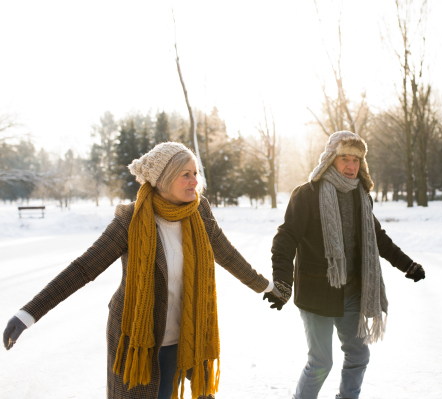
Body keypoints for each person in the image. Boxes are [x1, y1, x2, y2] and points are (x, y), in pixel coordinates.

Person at [3, 142, 281, 399]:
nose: (195, 181)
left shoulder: (199, 212)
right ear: (163, 178)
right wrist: (29, 313)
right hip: (138, 337)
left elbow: (228, 255)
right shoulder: (131, 220)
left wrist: (266, 287)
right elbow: (84, 268)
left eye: (196, 172)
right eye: (185, 174)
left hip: (187, 334)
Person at [263, 131, 425, 399]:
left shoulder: (361, 196)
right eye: (344, 159)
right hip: (316, 295)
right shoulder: (307, 194)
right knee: (320, 362)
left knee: (359, 354)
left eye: (356, 160)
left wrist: (407, 265)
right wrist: (281, 282)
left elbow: (377, 238)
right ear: (330, 159)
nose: (351, 167)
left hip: (351, 293)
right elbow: (285, 239)